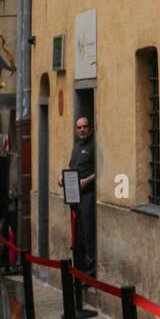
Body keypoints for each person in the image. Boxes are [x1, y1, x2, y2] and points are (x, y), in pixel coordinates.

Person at [59, 117, 95, 273]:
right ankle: (79, 270)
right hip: (74, 197)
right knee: (77, 236)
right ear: (76, 129)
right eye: (79, 127)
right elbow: (71, 167)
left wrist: (87, 180)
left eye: (85, 127)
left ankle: (90, 272)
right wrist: (62, 177)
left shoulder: (93, 147)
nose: (82, 130)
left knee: (88, 234)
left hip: (88, 196)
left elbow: (101, 170)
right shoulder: (75, 148)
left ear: (90, 129)